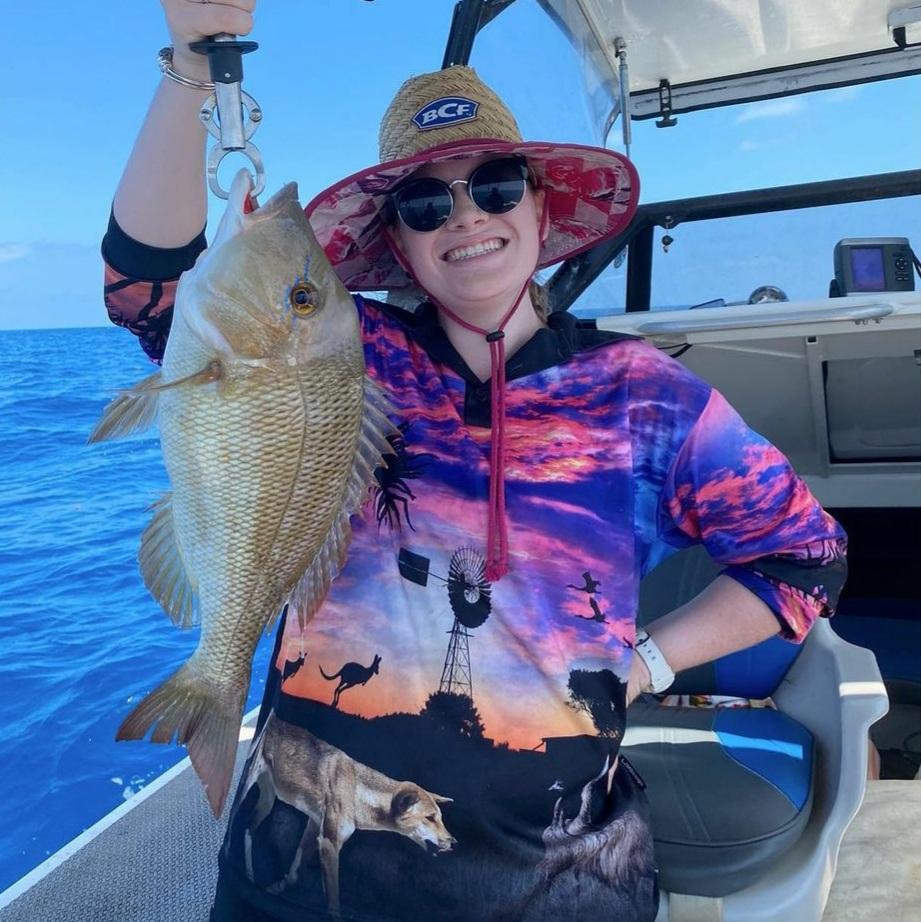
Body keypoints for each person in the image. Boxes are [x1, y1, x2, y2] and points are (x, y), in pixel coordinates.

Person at [102, 3, 848, 920]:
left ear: (540, 206)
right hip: (299, 873)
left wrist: (647, 664)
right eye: (426, 204)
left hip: (563, 883)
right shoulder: (338, 352)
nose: (464, 215)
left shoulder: (644, 393)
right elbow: (146, 289)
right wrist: (190, 61)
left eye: (494, 186)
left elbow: (804, 557)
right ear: (399, 243)